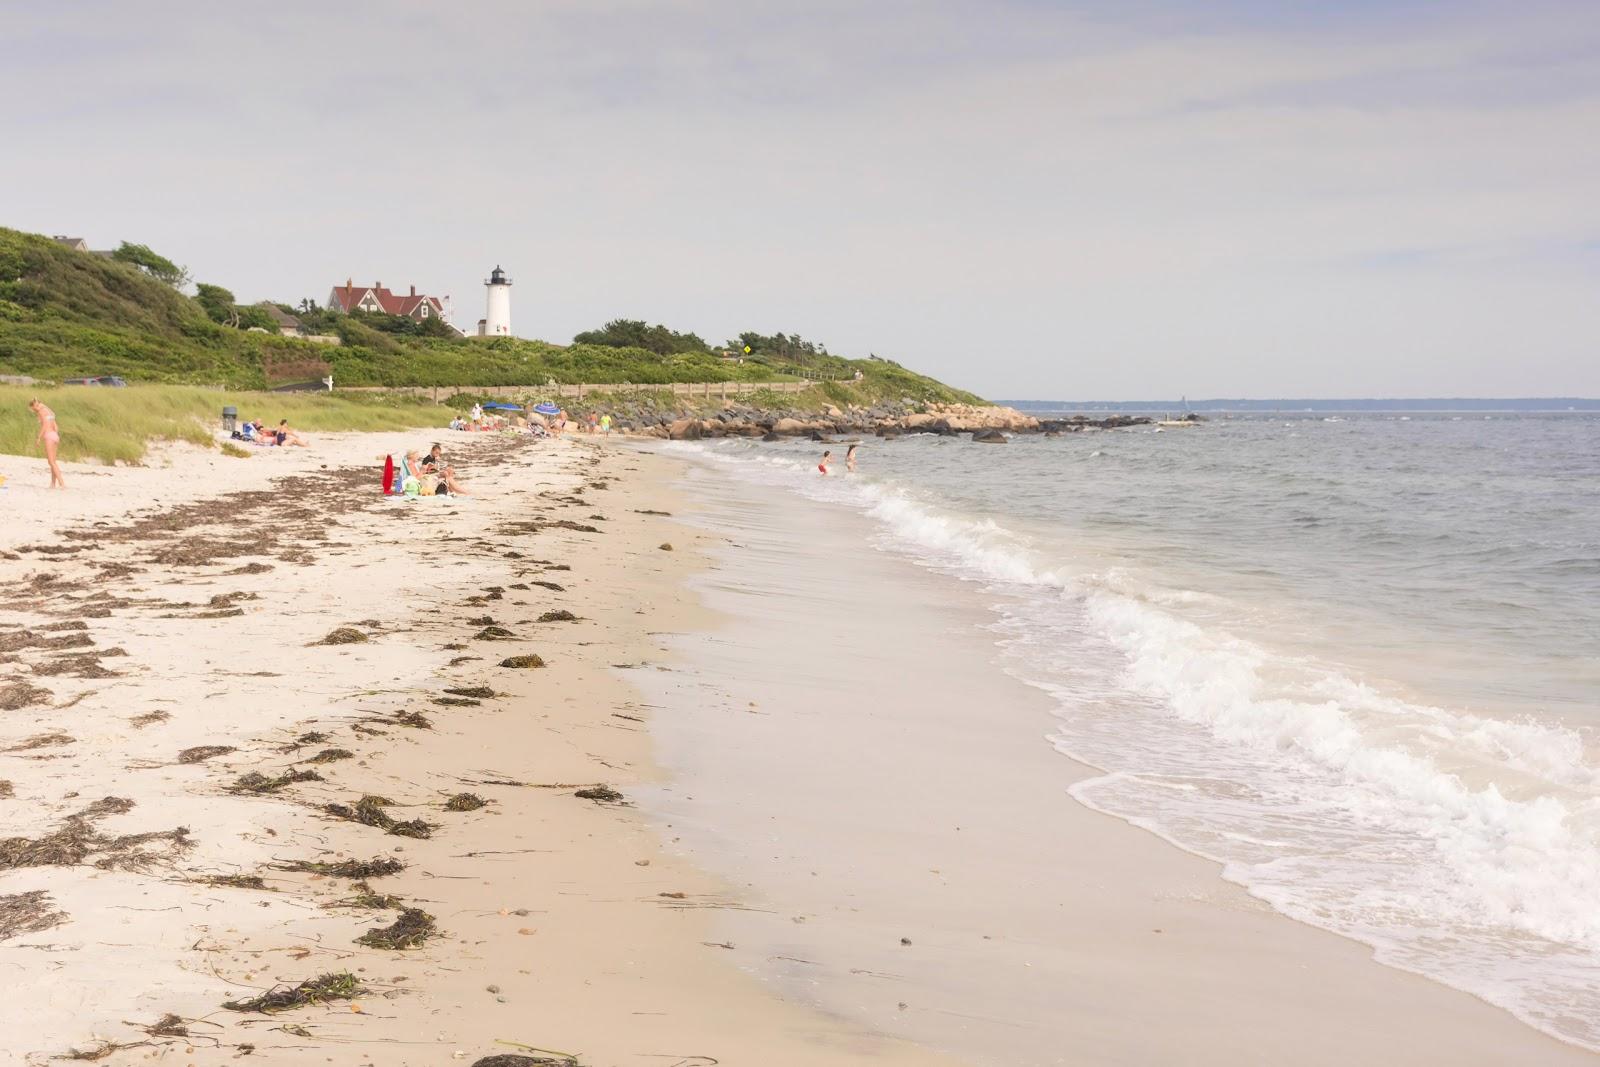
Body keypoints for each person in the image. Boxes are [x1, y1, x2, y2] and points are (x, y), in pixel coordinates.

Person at [30, 399, 65, 489]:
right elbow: (56, 427)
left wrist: (38, 437)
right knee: (52, 462)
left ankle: (62, 483)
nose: (34, 409)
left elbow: (44, 425)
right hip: (55, 436)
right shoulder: (49, 413)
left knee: (52, 462)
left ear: (34, 406)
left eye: (33, 407)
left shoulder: (41, 412)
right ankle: (53, 484)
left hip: (49, 436)